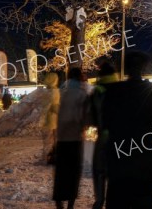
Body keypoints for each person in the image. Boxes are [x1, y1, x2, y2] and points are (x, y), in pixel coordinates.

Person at [102, 51, 152, 209]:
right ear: (143, 68)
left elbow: (105, 121)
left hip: (119, 156)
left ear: (125, 68)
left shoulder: (113, 91)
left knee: (118, 199)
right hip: (143, 155)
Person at [53, 67, 88, 209]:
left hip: (61, 139)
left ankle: (59, 202)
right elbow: (85, 116)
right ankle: (70, 205)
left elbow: (57, 111)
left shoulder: (62, 92)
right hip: (75, 138)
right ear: (79, 77)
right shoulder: (81, 94)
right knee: (73, 173)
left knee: (61, 172)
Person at [88, 60, 119, 209]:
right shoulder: (122, 88)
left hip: (103, 137)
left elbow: (90, 117)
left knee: (99, 172)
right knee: (116, 172)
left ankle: (99, 202)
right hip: (120, 139)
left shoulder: (97, 90)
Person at [41, 72, 60, 164]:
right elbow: (54, 106)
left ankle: (47, 158)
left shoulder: (45, 91)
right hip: (53, 119)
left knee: (48, 141)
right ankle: (50, 159)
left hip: (46, 119)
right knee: (53, 140)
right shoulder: (54, 90)